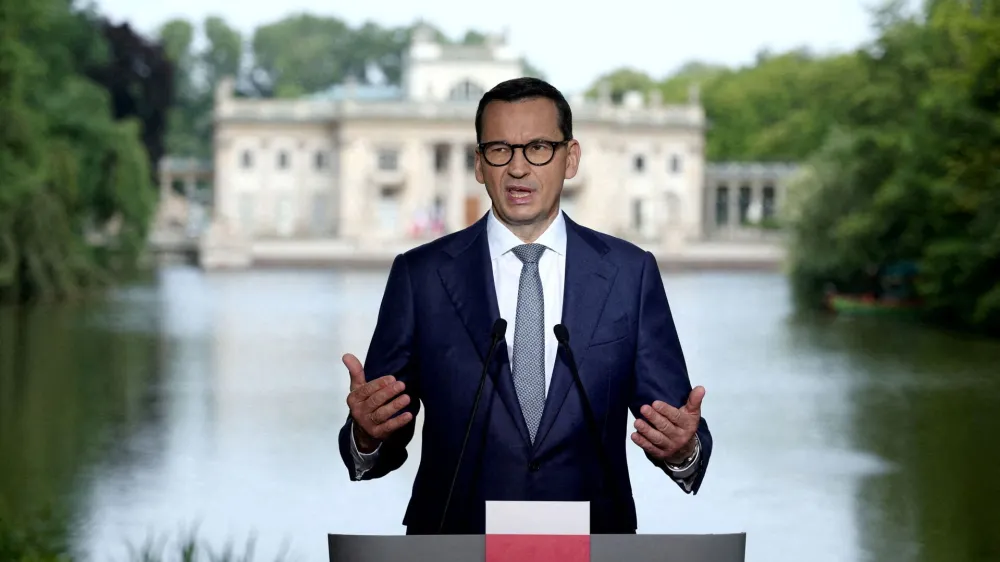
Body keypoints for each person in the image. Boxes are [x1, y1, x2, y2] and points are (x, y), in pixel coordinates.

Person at [338, 77, 711, 534]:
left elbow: (674, 422)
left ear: (570, 158)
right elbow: (381, 436)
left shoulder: (630, 274)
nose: (518, 168)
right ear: (479, 164)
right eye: (499, 149)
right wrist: (367, 435)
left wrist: (683, 449)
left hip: (591, 545)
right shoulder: (420, 276)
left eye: (538, 147)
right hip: (454, 544)